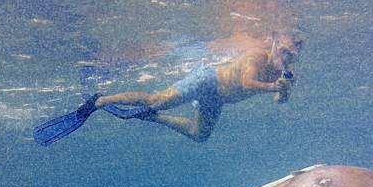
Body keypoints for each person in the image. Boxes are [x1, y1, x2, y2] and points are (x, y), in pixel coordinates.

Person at [95, 32, 302, 142]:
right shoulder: (256, 57)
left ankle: (152, 118)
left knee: (199, 134)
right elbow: (246, 83)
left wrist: (283, 90)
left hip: (217, 98)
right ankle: (103, 100)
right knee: (155, 101)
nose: (285, 57)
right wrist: (274, 86)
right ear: (274, 44)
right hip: (206, 80)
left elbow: (280, 101)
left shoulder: (284, 73)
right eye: (283, 51)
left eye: (290, 55)